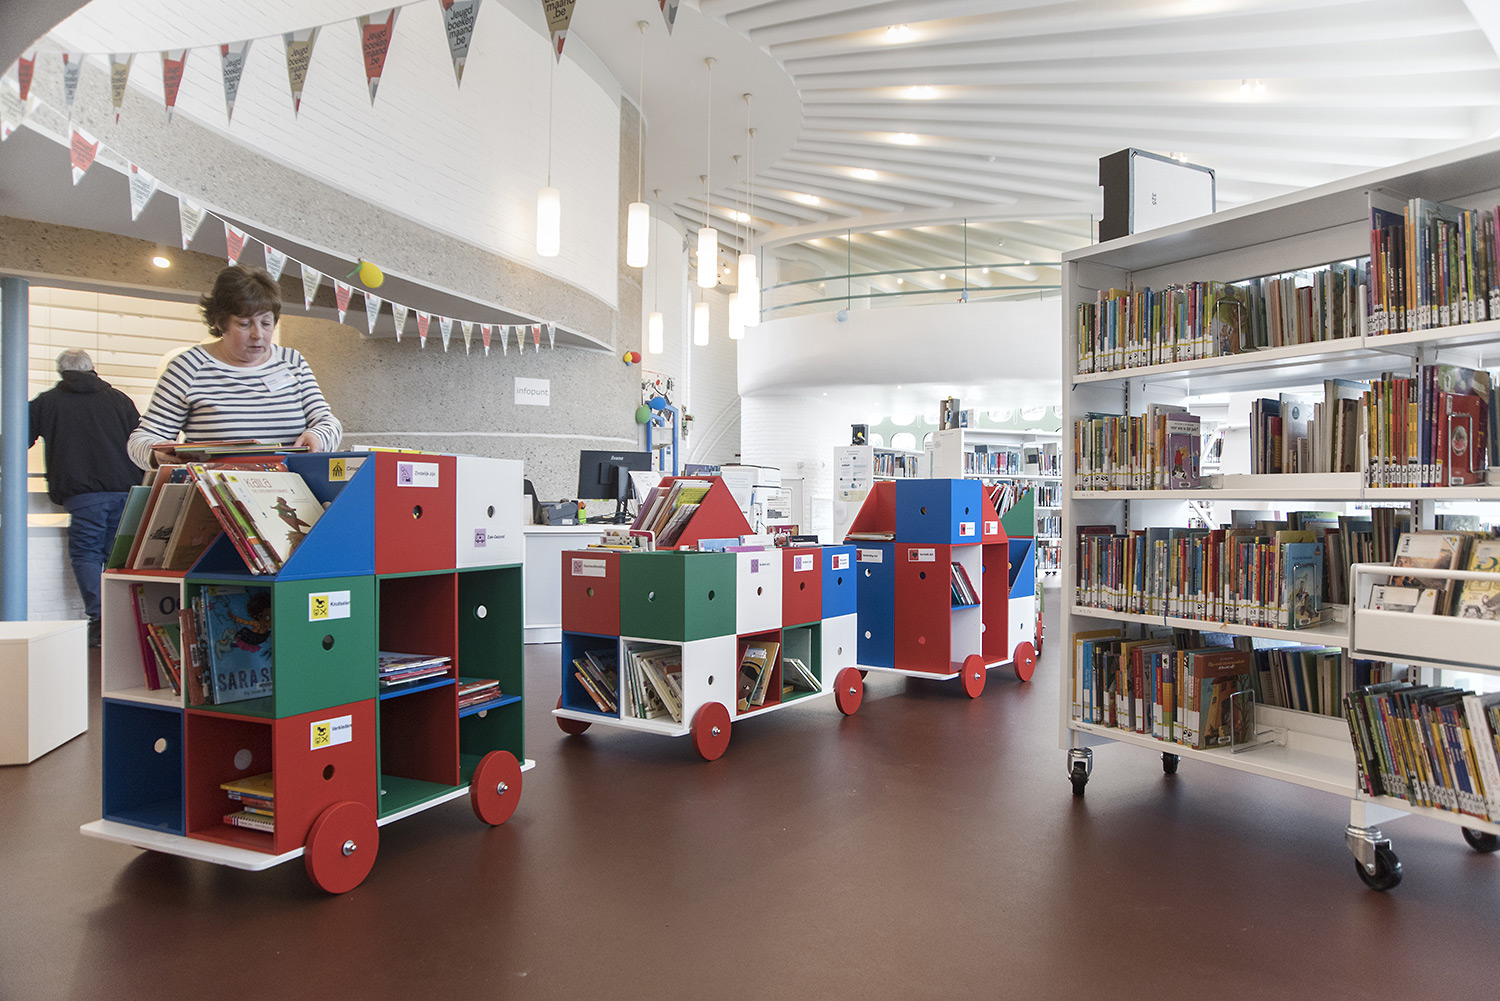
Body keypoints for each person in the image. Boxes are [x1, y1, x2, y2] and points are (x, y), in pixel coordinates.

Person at [128, 265, 342, 469]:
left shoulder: (292, 362)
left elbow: (328, 423)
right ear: (220, 323)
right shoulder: (188, 367)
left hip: (291, 488)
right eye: (244, 324)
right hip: (217, 489)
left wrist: (317, 436)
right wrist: (156, 454)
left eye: (266, 323)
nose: (258, 334)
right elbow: (140, 440)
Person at [29, 349, 142, 646]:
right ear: (93, 369)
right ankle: (122, 620)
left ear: (61, 372)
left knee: (86, 554)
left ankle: (100, 620)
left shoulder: (46, 402)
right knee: (117, 556)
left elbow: (18, 438)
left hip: (84, 496)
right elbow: (142, 444)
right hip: (125, 492)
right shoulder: (119, 400)